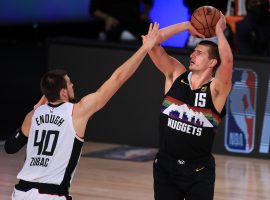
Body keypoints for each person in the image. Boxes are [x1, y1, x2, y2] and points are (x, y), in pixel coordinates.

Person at [4, 22, 159, 200]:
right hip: (51, 195)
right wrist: (144, 48)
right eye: (69, 83)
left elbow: (10, 147)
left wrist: (33, 113)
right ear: (63, 92)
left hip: (20, 193)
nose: (73, 85)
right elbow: (117, 78)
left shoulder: (33, 115)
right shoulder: (77, 111)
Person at [143, 12, 233, 200]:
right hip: (165, 168)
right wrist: (186, 25)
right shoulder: (175, 75)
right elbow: (152, 43)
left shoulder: (217, 89)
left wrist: (219, 32)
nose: (192, 54)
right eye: (194, 51)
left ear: (212, 62)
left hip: (198, 172)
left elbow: (228, 61)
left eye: (199, 53)